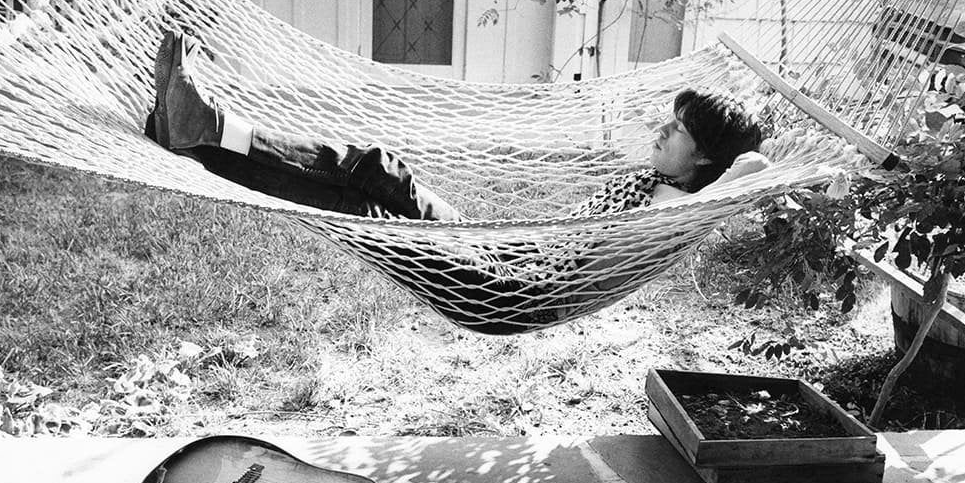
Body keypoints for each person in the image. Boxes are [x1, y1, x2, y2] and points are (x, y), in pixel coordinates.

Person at [145, 30, 768, 333]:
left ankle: (206, 133)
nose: (662, 131)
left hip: (509, 290)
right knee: (370, 177)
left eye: (679, 129)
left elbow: (740, 179)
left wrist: (748, 172)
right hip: (496, 252)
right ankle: (199, 138)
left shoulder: (673, 208)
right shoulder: (664, 185)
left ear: (706, 160)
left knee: (366, 193)